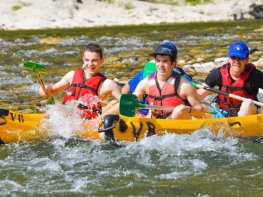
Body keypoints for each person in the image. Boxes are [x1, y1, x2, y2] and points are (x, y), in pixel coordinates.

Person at [39, 43, 121, 119]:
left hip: (87, 123)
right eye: (87, 60)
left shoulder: (108, 84)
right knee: (50, 113)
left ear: (101, 61)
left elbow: (125, 104)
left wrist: (100, 119)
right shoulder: (72, 75)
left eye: (94, 60)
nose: (90, 64)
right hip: (65, 120)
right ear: (83, 60)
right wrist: (43, 90)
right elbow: (51, 91)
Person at [132, 41, 204, 119]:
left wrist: (187, 109)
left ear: (173, 64)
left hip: (178, 120)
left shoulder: (184, 85)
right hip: (155, 120)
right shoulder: (146, 83)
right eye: (158, 61)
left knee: (180, 110)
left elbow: (200, 111)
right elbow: (132, 98)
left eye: (165, 61)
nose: (161, 65)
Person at [197, 41, 263, 117]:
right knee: (196, 106)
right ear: (229, 59)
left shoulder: (255, 76)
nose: (236, 61)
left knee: (248, 103)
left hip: (248, 114)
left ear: (247, 59)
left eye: (240, 58)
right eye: (233, 57)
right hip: (223, 112)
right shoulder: (217, 74)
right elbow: (199, 96)